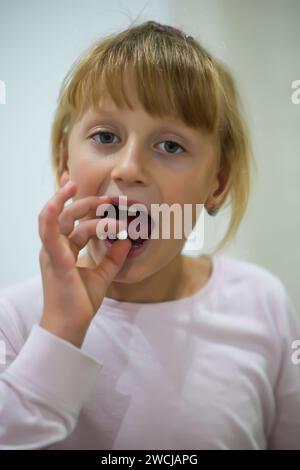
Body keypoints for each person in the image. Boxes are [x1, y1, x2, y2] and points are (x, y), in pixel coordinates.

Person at [0, 20, 299, 450]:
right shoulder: (15, 321)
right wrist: (60, 334)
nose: (128, 169)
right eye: (106, 136)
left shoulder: (261, 303)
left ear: (216, 183)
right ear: (65, 161)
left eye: (171, 146)